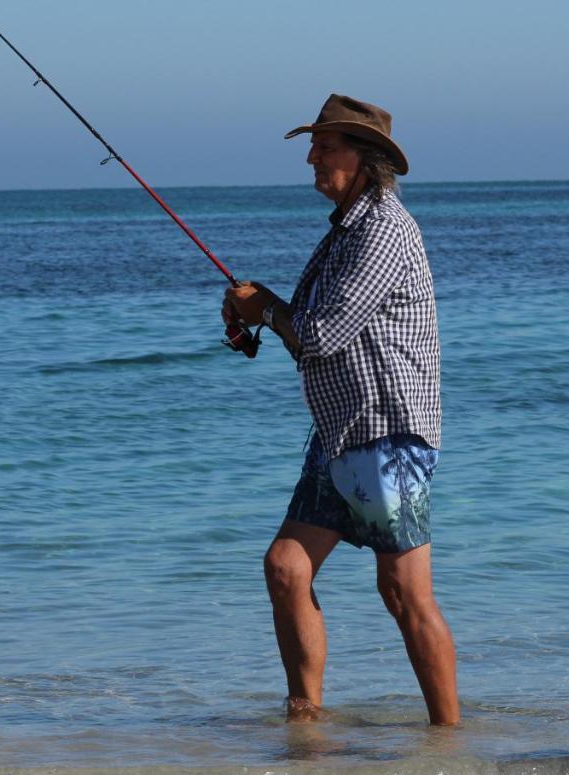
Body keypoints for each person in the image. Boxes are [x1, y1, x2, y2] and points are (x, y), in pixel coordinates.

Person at [222, 94, 458, 725]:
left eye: (325, 146)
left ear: (367, 158)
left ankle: (449, 737)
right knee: (284, 568)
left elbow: (320, 335)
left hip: (386, 434)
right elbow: (308, 328)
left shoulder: (383, 231)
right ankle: (305, 723)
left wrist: (266, 310)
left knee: (404, 594)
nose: (311, 157)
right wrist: (259, 314)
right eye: (314, 144)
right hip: (338, 433)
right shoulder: (344, 232)